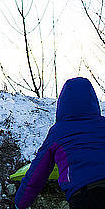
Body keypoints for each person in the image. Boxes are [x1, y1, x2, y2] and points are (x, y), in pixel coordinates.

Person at [15, 77, 105, 209]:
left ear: (62, 104)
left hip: (85, 195)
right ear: (93, 101)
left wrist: (20, 203)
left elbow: (37, 172)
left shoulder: (58, 133)